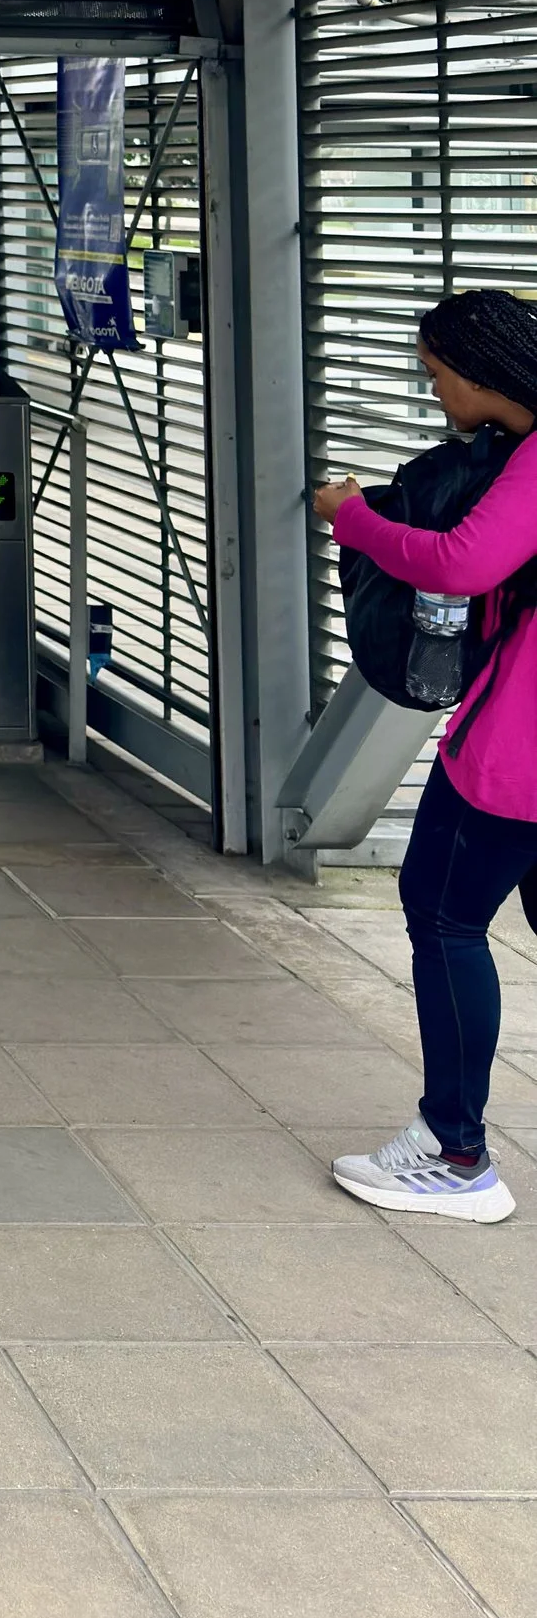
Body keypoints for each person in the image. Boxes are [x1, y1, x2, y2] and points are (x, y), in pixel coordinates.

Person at [319, 288, 537, 1222]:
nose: (432, 387)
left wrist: (351, 515)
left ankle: (456, 1157)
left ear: (483, 372)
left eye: (438, 371)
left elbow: (458, 563)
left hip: (517, 755)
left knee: (443, 918)